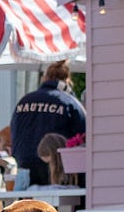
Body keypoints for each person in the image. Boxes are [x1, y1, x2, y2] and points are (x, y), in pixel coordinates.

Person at [10, 60, 85, 188]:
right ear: (67, 81)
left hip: (25, 170)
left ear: (44, 78)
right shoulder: (70, 102)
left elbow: (14, 131)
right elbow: (83, 137)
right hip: (57, 172)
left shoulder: (24, 100)